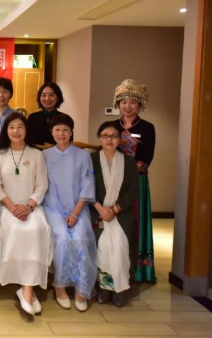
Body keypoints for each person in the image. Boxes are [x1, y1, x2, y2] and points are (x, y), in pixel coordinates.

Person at [0, 112, 53, 316]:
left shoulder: (36, 155)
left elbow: (42, 185)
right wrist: (12, 207)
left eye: (20, 127)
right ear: (6, 131)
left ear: (26, 130)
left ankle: (26, 289)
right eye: (11, 127)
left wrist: (29, 206)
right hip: (5, 207)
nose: (16, 131)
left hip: (31, 206)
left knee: (35, 230)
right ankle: (27, 291)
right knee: (16, 230)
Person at [42, 113, 96, 312]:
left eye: (65, 130)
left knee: (81, 237)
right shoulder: (44, 155)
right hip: (52, 208)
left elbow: (87, 185)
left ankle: (82, 288)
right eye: (57, 130)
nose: (61, 134)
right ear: (51, 132)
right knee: (62, 237)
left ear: (71, 132)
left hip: (78, 208)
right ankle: (60, 286)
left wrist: (75, 213)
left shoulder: (83, 156)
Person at [111, 79, 157, 283]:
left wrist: (126, 171)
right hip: (114, 180)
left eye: (132, 102)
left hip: (137, 181)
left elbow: (146, 159)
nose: (127, 106)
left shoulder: (147, 128)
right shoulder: (112, 126)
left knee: (137, 221)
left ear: (140, 105)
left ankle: (139, 270)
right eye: (123, 102)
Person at [90, 122, 139, 307]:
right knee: (103, 245)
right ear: (99, 138)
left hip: (121, 214)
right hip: (97, 213)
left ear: (120, 139)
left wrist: (116, 208)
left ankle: (119, 288)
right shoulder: (91, 160)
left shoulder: (128, 161)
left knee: (119, 245)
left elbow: (133, 189)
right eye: (105, 135)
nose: (109, 139)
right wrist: (100, 208)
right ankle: (105, 287)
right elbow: (85, 187)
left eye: (113, 136)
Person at [28, 82, 68, 146]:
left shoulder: (65, 119)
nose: (47, 98)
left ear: (58, 97)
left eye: (51, 95)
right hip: (36, 152)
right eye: (44, 95)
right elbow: (28, 141)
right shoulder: (32, 117)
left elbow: (68, 143)